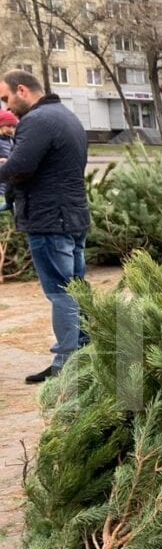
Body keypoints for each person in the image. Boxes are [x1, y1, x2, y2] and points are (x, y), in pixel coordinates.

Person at [0, 70, 91, 383]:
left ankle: (67, 363)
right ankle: (85, 352)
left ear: (22, 90)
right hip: (72, 217)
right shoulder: (67, 116)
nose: (7, 107)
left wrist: (4, 170)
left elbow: (21, 166)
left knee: (61, 292)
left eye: (6, 98)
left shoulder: (37, 121)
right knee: (77, 288)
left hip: (50, 220)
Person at [0, 108, 16, 211]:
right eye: (8, 126)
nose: (11, 129)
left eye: (13, 126)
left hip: (9, 184)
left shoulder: (12, 140)